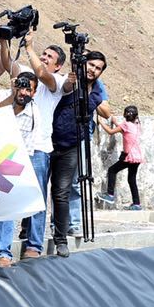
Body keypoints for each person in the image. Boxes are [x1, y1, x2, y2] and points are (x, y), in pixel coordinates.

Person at [0, 32, 64, 260]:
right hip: (12, 148)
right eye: (43, 54)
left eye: (49, 56)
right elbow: (8, 64)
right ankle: (3, 251)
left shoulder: (56, 83)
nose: (44, 58)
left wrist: (30, 48)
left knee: (36, 198)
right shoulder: (26, 78)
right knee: (7, 198)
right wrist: (4, 40)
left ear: (58, 65)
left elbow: (43, 74)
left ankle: (34, 246)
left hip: (39, 149)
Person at [48, 50, 109, 257]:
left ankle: (61, 239)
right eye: (91, 65)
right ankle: (29, 232)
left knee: (62, 191)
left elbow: (106, 111)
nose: (93, 70)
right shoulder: (69, 81)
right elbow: (65, 87)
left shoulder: (97, 93)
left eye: (98, 68)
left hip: (72, 146)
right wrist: (73, 75)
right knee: (38, 189)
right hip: (48, 142)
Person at [0, 72, 38, 267]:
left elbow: (25, 149)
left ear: (34, 93)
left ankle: (3, 253)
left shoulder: (33, 113)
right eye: (21, 87)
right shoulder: (4, 99)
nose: (24, 92)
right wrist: (11, 93)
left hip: (12, 163)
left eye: (29, 89)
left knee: (8, 205)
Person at [99, 105, 143, 210]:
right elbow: (124, 131)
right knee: (132, 180)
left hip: (129, 156)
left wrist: (100, 121)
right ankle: (137, 204)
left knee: (112, 170)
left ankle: (110, 195)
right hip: (137, 157)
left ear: (125, 115)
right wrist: (115, 122)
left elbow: (110, 131)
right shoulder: (136, 125)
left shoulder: (125, 125)